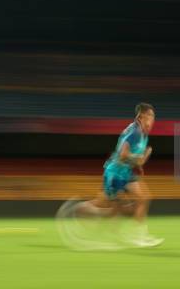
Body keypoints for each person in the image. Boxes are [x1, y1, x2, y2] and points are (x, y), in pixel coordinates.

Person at [58, 103, 163, 249]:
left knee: (144, 198)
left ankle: (139, 236)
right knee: (105, 204)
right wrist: (140, 158)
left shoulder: (143, 134)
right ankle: (75, 209)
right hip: (115, 173)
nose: (152, 120)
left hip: (126, 173)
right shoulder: (135, 132)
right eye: (149, 116)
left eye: (153, 117)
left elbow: (133, 158)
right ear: (140, 116)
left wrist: (139, 163)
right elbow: (123, 155)